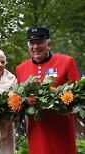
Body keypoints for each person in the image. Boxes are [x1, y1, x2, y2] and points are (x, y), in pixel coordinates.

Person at [16, 26, 80, 154]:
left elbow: (78, 94)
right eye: (32, 44)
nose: (35, 47)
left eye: (39, 43)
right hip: (37, 129)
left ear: (48, 44)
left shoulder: (66, 62)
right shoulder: (21, 68)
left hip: (61, 128)